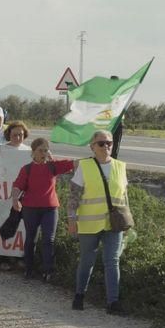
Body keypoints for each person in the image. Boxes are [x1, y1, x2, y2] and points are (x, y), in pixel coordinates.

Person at [66, 129, 130, 315]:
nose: (106, 146)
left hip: (114, 224)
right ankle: (79, 295)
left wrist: (127, 222)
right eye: (101, 143)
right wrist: (71, 219)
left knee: (112, 261)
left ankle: (113, 302)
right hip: (89, 224)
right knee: (87, 261)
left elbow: (124, 197)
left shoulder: (120, 167)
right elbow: (73, 197)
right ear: (92, 147)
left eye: (109, 143)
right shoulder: (84, 167)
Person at [10, 137, 75, 283]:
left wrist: (95, 156)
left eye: (46, 150)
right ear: (33, 152)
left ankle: (48, 271)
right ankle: (29, 269)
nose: (44, 153)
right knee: (31, 239)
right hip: (30, 208)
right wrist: (15, 199)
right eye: (41, 150)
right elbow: (17, 186)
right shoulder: (27, 169)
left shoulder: (53, 166)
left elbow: (74, 164)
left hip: (50, 208)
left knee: (48, 240)